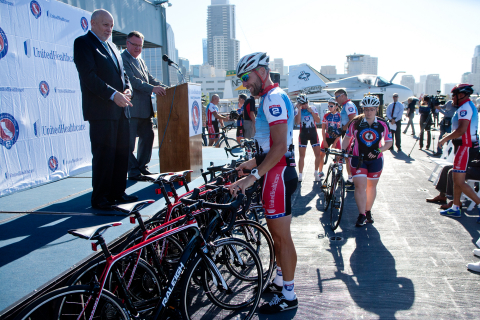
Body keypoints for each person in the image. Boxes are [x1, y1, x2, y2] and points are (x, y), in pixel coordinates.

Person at [229, 52, 298, 313]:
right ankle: (281, 282)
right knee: (277, 236)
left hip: (278, 174)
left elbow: (280, 147)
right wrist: (253, 163)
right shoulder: (270, 97)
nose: (245, 84)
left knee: (282, 237)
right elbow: (272, 145)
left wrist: (251, 178)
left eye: (246, 77)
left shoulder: (273, 98)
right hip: (274, 172)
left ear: (261, 71)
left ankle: (289, 296)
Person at [73, 9, 137, 211]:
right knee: (105, 155)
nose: (109, 29)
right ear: (92, 23)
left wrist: (127, 90)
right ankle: (101, 198)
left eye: (111, 25)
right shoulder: (83, 43)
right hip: (101, 112)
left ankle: (118, 193)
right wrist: (113, 94)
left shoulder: (113, 47)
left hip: (121, 110)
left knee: (121, 153)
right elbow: (88, 77)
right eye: (105, 24)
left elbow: (124, 76)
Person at [121, 31, 167, 181]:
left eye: (140, 46)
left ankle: (142, 167)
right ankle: (133, 171)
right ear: (127, 43)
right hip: (131, 109)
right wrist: (152, 89)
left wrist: (165, 87)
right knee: (128, 144)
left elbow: (149, 78)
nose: (138, 48)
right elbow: (133, 81)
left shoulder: (140, 60)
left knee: (148, 137)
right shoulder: (123, 59)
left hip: (146, 110)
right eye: (135, 45)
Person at [341, 95, 393, 227]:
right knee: (360, 186)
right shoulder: (356, 123)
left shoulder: (382, 124)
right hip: (358, 159)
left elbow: (389, 142)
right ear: (362, 109)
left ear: (376, 109)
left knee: (371, 187)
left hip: (376, 160)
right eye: (366, 109)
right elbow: (347, 138)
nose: (369, 112)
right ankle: (361, 214)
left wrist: (379, 150)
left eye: (372, 109)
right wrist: (343, 151)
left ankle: (368, 211)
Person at [438, 84, 480, 219]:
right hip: (462, 146)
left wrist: (444, 139)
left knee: (460, 181)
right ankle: (455, 207)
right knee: (456, 179)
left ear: (461, 95)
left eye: (454, 96)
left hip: (465, 147)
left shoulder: (465, 108)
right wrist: (448, 136)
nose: (452, 99)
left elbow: (461, 130)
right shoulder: (465, 107)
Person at [295, 94, 321, 182]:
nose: (305, 105)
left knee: (318, 154)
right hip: (303, 134)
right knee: (302, 156)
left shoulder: (313, 108)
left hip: (313, 133)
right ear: (299, 104)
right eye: (303, 104)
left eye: (306, 103)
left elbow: (318, 120)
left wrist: (311, 112)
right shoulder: (298, 110)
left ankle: (316, 172)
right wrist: (298, 110)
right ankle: (300, 174)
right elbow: (297, 122)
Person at [335, 89, 358, 190]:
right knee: (346, 157)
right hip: (347, 132)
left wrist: (343, 129)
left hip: (350, 134)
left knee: (348, 157)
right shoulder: (345, 105)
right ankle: (350, 179)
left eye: (337, 97)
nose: (336, 100)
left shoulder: (348, 105)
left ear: (343, 95)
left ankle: (351, 180)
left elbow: (353, 119)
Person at [318, 98, 342, 177]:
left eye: (331, 106)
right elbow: (323, 129)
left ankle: (338, 171)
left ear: (336, 106)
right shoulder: (326, 115)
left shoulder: (340, 116)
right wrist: (324, 140)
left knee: (338, 156)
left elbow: (341, 131)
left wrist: (335, 143)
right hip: (327, 137)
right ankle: (320, 171)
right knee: (321, 155)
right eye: (328, 106)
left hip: (336, 138)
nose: (329, 108)